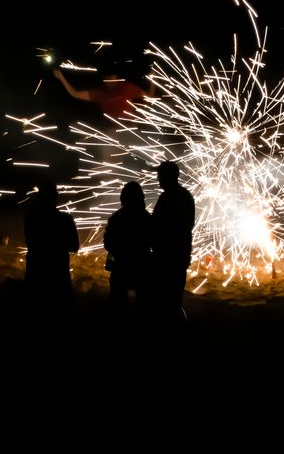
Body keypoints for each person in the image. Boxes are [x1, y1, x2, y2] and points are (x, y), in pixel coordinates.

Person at [149, 160, 195, 332]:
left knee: (165, 300)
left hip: (166, 257)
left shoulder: (167, 197)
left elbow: (156, 226)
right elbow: (189, 225)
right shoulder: (186, 195)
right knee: (175, 299)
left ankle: (170, 336)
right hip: (180, 255)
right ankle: (179, 334)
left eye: (160, 175)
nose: (157, 179)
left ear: (167, 176)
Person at [23, 181, 80, 313]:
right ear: (55, 197)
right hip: (58, 278)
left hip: (36, 277)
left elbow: (30, 242)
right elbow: (74, 246)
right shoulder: (65, 219)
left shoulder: (30, 218)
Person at [103, 181, 152, 327]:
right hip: (142, 266)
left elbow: (108, 243)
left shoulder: (117, 218)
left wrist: (119, 252)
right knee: (144, 306)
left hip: (121, 266)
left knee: (117, 305)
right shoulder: (147, 218)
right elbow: (154, 241)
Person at [53, 68, 152, 120]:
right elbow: (74, 93)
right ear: (104, 81)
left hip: (134, 128)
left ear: (116, 77)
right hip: (114, 133)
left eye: (112, 78)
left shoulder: (126, 87)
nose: (110, 81)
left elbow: (150, 98)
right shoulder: (100, 94)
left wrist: (153, 81)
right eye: (107, 79)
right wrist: (62, 78)